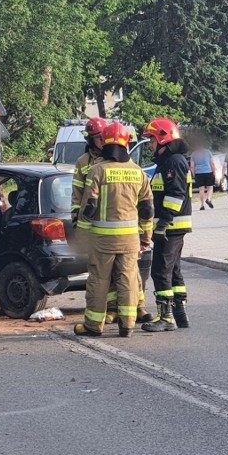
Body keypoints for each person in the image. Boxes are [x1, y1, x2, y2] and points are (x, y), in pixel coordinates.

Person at [73, 122, 154, 338]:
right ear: (127, 143)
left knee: (99, 280)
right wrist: (146, 237)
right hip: (130, 240)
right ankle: (127, 325)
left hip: (102, 240)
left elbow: (88, 207)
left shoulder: (98, 170)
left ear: (105, 143)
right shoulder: (138, 173)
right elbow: (147, 210)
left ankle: (93, 325)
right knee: (128, 279)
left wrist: (81, 236)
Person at [142, 118, 192, 332]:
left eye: (152, 140)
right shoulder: (171, 161)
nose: (150, 145)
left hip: (170, 226)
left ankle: (166, 318)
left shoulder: (174, 162)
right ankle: (179, 313)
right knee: (174, 270)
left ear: (162, 139)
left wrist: (163, 222)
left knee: (161, 271)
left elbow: (176, 193)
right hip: (172, 226)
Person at [190, 137, 217, 211]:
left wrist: (194, 174)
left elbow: (192, 166)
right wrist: (214, 172)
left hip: (199, 173)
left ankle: (202, 205)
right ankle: (208, 199)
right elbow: (212, 163)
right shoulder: (208, 152)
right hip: (208, 172)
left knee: (201, 189)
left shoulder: (194, 154)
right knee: (210, 187)